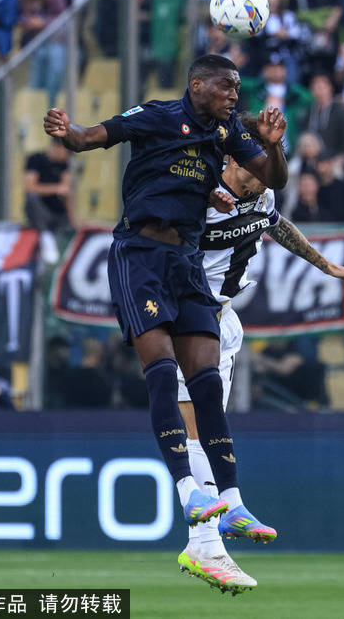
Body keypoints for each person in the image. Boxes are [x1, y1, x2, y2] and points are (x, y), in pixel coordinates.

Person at [43, 54, 287, 553]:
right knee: (160, 373)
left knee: (207, 383)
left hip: (185, 264)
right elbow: (92, 137)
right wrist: (69, 132)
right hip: (141, 256)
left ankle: (232, 502)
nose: (234, 96)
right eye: (226, 87)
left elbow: (274, 177)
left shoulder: (227, 133)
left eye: (237, 88)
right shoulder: (158, 116)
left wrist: (274, 145)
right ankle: (188, 492)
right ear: (197, 85)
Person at [176, 112, 344, 593]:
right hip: (186, 319)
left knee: (210, 431)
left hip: (222, 321)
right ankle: (207, 545)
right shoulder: (197, 192)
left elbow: (276, 225)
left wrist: (325, 265)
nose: (266, 173)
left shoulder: (263, 193)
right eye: (258, 160)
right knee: (195, 431)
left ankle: (214, 533)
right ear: (234, 158)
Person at [24, 138, 74, 233]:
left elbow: (66, 191)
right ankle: (43, 233)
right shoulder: (35, 160)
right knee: (32, 197)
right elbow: (30, 188)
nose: (68, 157)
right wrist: (56, 189)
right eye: (67, 152)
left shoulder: (64, 165)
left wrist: (72, 221)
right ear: (58, 147)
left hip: (57, 212)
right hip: (41, 212)